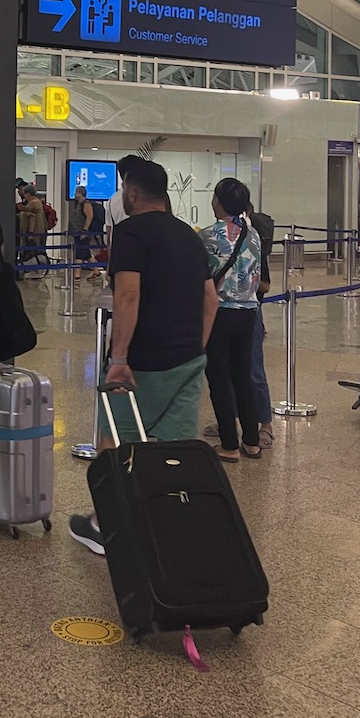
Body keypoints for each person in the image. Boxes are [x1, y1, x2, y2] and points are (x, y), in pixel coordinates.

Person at [69, 161, 218, 557]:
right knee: (177, 445)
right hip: (189, 359)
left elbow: (128, 296)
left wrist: (118, 357)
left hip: (143, 362)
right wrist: (196, 348)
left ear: (131, 194)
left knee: (115, 439)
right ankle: (170, 520)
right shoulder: (190, 235)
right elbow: (211, 300)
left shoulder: (131, 232)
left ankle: (105, 525)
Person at [200, 178, 264, 462]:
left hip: (220, 312)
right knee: (243, 375)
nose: (213, 202)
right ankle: (252, 440)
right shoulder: (253, 235)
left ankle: (229, 443)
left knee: (219, 377)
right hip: (249, 312)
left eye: (215, 197)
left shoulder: (208, 236)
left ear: (221, 202)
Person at [16, 185, 47, 276]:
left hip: (34, 232)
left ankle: (33, 272)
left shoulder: (32, 203)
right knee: (36, 251)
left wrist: (30, 232)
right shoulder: (38, 202)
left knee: (31, 252)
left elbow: (32, 218)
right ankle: (36, 271)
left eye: (25, 194)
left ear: (28, 194)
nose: (24, 196)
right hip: (40, 231)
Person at [68, 185, 96, 282]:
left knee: (79, 255)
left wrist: (85, 230)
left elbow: (89, 216)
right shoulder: (79, 204)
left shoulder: (86, 203)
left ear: (80, 193)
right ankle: (96, 272)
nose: (74, 194)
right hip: (78, 233)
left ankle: (77, 276)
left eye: (76, 192)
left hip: (82, 234)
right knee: (87, 255)